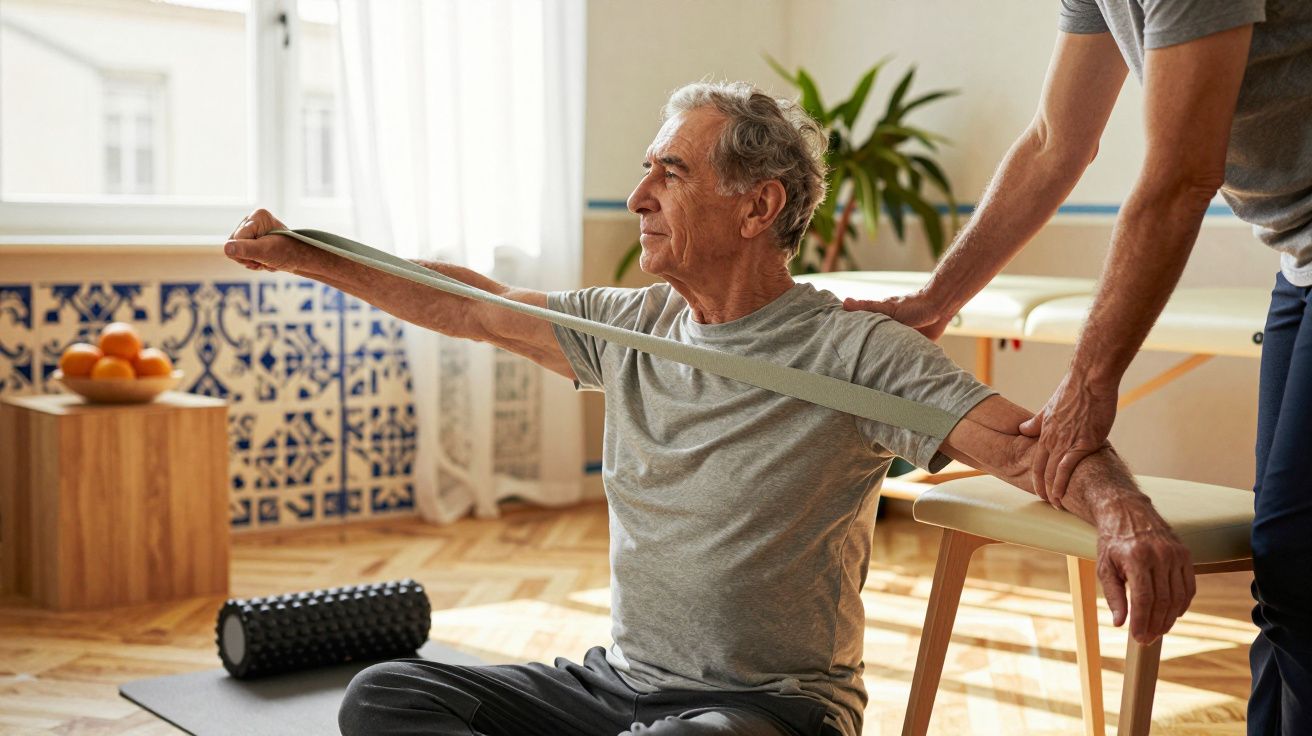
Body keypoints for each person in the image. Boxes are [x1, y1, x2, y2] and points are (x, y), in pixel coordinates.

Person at [224, 81, 1195, 736]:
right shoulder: (631, 324)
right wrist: (308, 256)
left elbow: (1028, 447)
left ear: (757, 206)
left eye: (669, 173)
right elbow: (475, 305)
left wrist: (1124, 511)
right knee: (387, 697)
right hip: (613, 687)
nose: (639, 194)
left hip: (767, 711)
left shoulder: (852, 350)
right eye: (648, 171)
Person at [843, 3, 1312, 732]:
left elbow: (1183, 175)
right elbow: (1054, 142)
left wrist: (1090, 383)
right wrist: (937, 299)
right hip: (1299, 259)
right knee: (1289, 578)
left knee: (1301, 567)